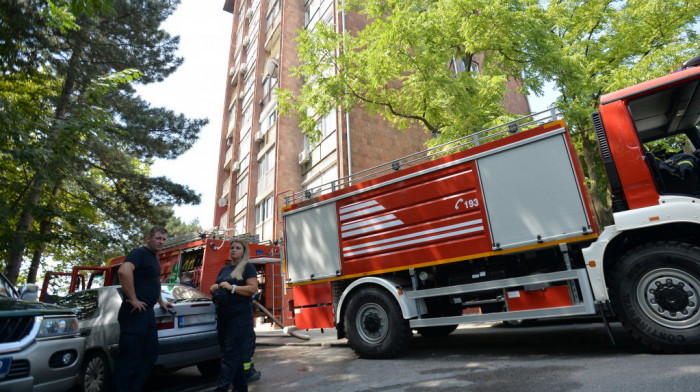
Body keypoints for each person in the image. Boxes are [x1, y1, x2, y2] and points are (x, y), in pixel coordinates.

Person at [114, 227, 174, 392]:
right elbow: (124, 271)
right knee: (130, 357)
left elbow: (154, 282)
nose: (161, 242)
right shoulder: (139, 253)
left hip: (148, 313)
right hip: (134, 313)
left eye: (163, 239)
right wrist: (133, 299)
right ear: (149, 238)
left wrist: (161, 301)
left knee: (150, 355)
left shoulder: (154, 257)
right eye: (158, 238)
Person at [210, 239, 259, 392]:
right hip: (224, 315)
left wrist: (232, 287)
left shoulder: (247, 267)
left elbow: (252, 289)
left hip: (240, 316)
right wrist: (215, 287)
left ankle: (222, 389)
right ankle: (240, 388)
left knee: (229, 354)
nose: (234, 250)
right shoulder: (224, 269)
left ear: (244, 251)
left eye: (238, 248)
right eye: (232, 248)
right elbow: (220, 286)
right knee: (230, 353)